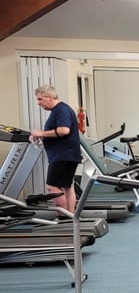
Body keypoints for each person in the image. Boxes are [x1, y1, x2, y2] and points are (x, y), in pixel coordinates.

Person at [29, 84, 82, 213]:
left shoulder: (60, 110)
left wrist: (41, 133)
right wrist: (42, 137)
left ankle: (63, 216)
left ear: (50, 97)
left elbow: (64, 130)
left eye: (40, 99)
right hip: (67, 154)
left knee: (52, 186)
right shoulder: (61, 109)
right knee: (68, 187)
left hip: (62, 155)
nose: (38, 103)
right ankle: (70, 216)